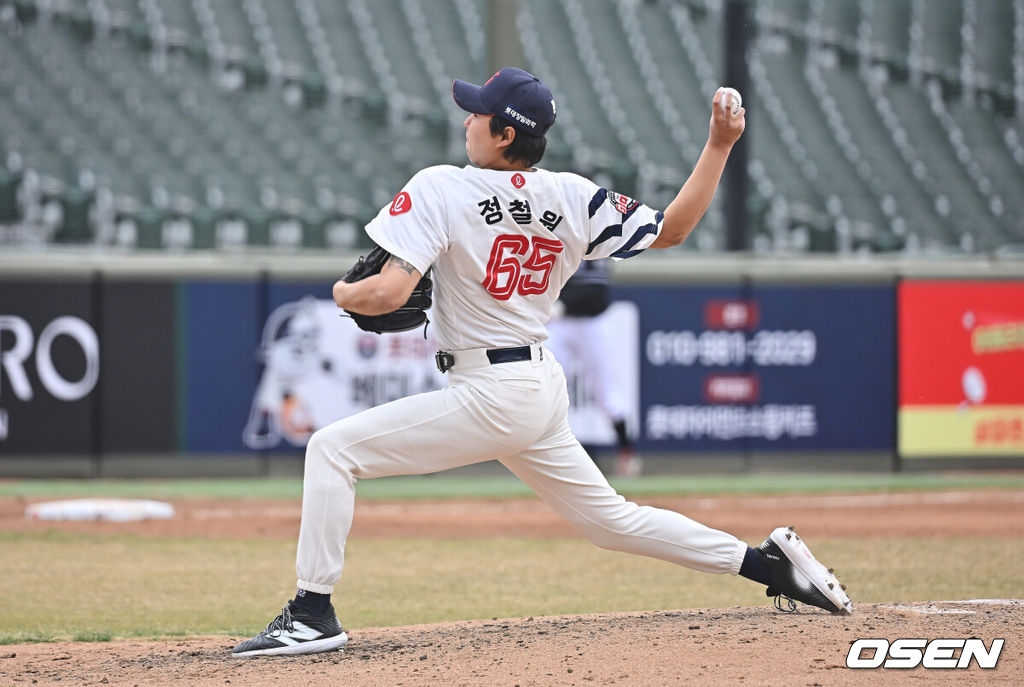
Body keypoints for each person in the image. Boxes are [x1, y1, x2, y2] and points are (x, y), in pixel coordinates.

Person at [232, 67, 851, 657]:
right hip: (534, 385)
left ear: (505, 133)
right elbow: (673, 229)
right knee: (611, 522)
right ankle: (767, 564)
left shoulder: (441, 186)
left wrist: (342, 294)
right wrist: (719, 144)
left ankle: (312, 614)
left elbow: (389, 293)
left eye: (478, 113)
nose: (467, 120)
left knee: (332, 450)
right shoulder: (573, 195)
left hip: (490, 391)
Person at [546, 258, 641, 477]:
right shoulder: (549, 231)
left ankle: (627, 454)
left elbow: (595, 291)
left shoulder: (594, 234)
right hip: (558, 324)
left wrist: (562, 305)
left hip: (593, 322)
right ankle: (547, 461)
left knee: (606, 394)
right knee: (546, 389)